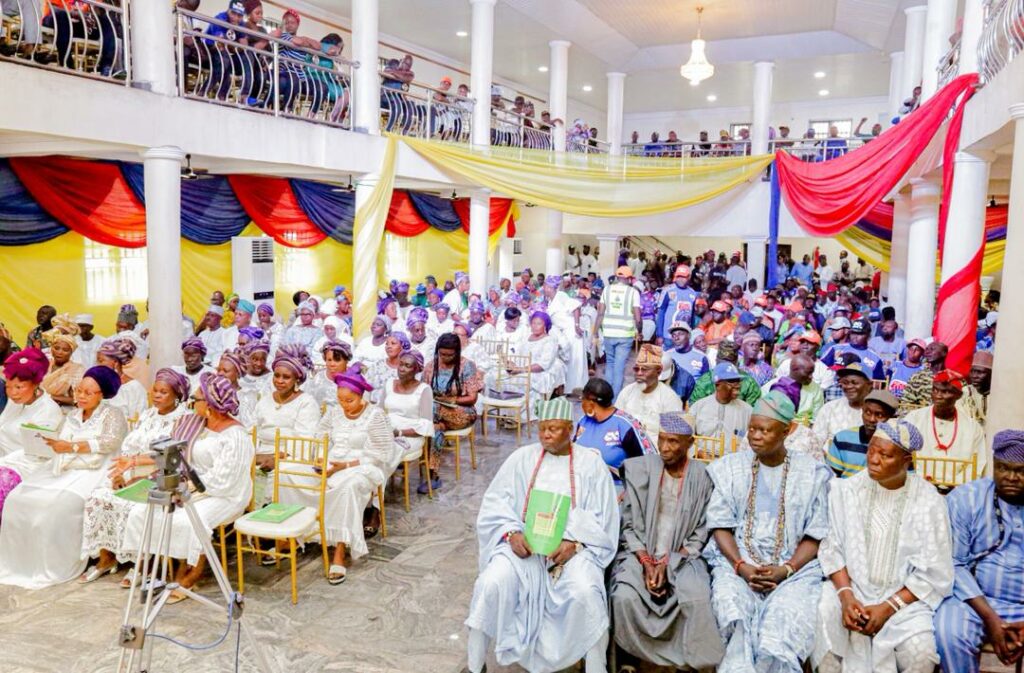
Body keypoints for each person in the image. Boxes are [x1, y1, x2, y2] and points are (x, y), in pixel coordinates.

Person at [464, 398, 619, 673]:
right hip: (523, 550)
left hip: (571, 554)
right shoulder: (521, 459)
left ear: (570, 429)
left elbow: (604, 518)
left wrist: (575, 543)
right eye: (542, 428)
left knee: (587, 594)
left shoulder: (591, 465)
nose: (546, 434)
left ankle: (596, 668)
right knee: (490, 583)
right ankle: (475, 666)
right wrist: (511, 533)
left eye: (554, 428)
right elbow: (495, 503)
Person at [704, 390, 832, 672]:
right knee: (731, 606)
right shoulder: (730, 468)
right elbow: (719, 525)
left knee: (782, 623)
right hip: (736, 564)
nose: (755, 436)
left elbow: (815, 533)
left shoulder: (812, 474)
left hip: (795, 570)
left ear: (786, 431)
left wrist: (785, 569)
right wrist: (741, 566)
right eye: (751, 429)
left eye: (764, 430)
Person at [815, 419, 952, 673]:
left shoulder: (928, 501)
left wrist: (887, 608)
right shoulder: (845, 491)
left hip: (904, 603)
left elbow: (934, 572)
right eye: (871, 450)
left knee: (921, 654)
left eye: (885, 455)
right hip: (849, 590)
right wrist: (846, 597)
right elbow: (831, 547)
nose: (874, 459)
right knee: (823, 618)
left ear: (906, 461)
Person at [118, 373, 253, 602]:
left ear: (210, 405)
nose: (192, 403)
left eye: (197, 399)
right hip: (190, 485)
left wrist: (186, 488)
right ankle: (156, 566)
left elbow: (225, 480)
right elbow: (169, 452)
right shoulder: (195, 424)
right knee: (146, 511)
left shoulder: (235, 436)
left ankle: (191, 574)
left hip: (226, 494)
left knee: (188, 519)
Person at [610, 412, 724, 670]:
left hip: (684, 557)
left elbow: (701, 532)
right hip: (639, 552)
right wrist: (648, 562)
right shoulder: (642, 470)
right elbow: (628, 524)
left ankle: (691, 662)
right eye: (661, 440)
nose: (664, 447)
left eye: (673, 441)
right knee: (623, 596)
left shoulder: (703, 478)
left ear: (690, 443)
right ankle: (630, 659)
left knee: (697, 599)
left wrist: (669, 562)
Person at [0, 366, 128, 588]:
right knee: (18, 498)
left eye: (89, 393)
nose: (81, 396)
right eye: (79, 391)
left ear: (103, 394)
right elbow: (60, 441)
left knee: (55, 507)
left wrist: (71, 446)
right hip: (65, 466)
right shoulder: (73, 415)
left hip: (97, 470)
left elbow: (110, 442)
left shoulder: (112, 414)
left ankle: (52, 565)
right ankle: (21, 564)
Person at [77, 369, 196, 582]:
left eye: (163, 392)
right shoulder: (147, 414)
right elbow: (128, 447)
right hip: (129, 471)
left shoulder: (184, 419)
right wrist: (120, 474)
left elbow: (173, 457)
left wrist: (139, 473)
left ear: (177, 395)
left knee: (137, 508)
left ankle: (144, 564)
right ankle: (107, 558)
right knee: (98, 497)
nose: (157, 396)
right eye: (155, 391)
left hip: (160, 475)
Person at [279, 368, 394, 585]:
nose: (344, 405)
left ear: (361, 396)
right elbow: (321, 435)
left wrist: (345, 465)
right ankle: (294, 535)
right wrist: (322, 458)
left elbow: (382, 454)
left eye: (349, 400)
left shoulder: (376, 415)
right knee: (287, 474)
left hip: (362, 467)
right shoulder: (334, 412)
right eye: (340, 400)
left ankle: (340, 550)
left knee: (347, 488)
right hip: (333, 464)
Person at [934, 430, 1024, 673]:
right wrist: (991, 618)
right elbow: (955, 564)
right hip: (975, 600)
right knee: (948, 630)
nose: (1012, 477)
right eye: (1004, 468)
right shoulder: (966, 498)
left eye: (1021, 471)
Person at [253, 349, 321, 502]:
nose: (280, 381)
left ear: (296, 379)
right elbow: (253, 430)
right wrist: (254, 455)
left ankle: (270, 513)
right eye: (276, 375)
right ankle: (244, 514)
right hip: (260, 452)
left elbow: (305, 440)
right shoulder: (264, 400)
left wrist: (276, 457)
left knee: (277, 473)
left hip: (292, 457)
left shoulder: (306, 403)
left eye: (286, 377)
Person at [0, 349, 64, 511]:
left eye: (19, 387)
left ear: (36, 384)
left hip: (26, 467)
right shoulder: (15, 402)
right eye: (8, 387)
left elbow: (37, 453)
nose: (12, 393)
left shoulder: (48, 411)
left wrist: (3, 462)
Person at [423, 333, 483, 493]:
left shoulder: (467, 365)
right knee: (435, 427)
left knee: (431, 414)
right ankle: (432, 472)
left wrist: (453, 400)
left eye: (450, 355)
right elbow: (423, 392)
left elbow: (472, 397)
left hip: (462, 412)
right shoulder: (431, 366)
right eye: (442, 354)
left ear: (457, 352)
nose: (445, 358)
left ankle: (421, 461)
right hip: (435, 412)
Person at [904, 370, 987, 477]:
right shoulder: (914, 419)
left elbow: (977, 464)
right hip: (918, 486)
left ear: (958, 395)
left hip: (958, 489)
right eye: (935, 390)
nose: (938, 396)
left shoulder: (972, 427)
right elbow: (903, 455)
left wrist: (955, 485)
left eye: (945, 392)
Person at [574, 377, 655, 486]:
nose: (581, 403)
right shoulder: (583, 421)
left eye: (583, 399)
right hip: (583, 486)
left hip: (615, 490)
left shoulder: (627, 425)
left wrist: (629, 494)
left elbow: (650, 461)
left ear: (591, 403)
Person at [380, 350, 433, 490]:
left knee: (387, 450)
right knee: (365, 444)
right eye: (401, 364)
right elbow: (378, 412)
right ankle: (370, 493)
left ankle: (376, 499)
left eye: (408, 366)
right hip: (387, 431)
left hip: (410, 435)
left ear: (416, 369)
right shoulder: (389, 383)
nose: (402, 369)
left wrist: (399, 433)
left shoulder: (424, 390)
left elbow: (425, 426)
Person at [616, 345, 682, 446]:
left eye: (645, 369)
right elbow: (616, 423)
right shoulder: (627, 392)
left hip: (656, 453)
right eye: (636, 369)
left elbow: (673, 437)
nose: (639, 373)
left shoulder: (669, 398)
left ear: (658, 371)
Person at [826, 389, 899, 478]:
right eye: (867, 413)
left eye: (879, 415)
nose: (872, 419)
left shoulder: (899, 446)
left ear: (892, 418)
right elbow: (832, 478)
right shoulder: (843, 439)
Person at [594, 266, 643, 399]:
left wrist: (595, 332)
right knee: (619, 367)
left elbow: (600, 313)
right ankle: (615, 400)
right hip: (625, 335)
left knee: (610, 364)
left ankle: (606, 398)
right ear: (628, 278)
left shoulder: (607, 290)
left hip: (609, 333)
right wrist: (640, 330)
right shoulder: (633, 292)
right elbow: (638, 317)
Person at [815, 362, 874, 455]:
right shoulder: (830, 408)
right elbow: (816, 442)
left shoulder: (875, 414)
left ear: (869, 384)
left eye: (854, 382)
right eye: (845, 382)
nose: (849, 386)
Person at [690, 362, 753, 443]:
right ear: (718, 384)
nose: (737, 385)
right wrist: (698, 452)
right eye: (731, 381)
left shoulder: (748, 411)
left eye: (738, 381)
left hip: (733, 454)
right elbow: (686, 439)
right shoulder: (698, 407)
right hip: (701, 454)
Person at [512, 311, 565, 405]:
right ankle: (507, 410)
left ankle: (528, 414)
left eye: (539, 323)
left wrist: (520, 370)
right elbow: (516, 353)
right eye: (533, 323)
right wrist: (511, 364)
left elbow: (543, 364)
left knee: (525, 380)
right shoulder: (526, 337)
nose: (535, 326)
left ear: (545, 326)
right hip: (520, 368)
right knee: (495, 375)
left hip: (538, 371)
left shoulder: (550, 340)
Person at [689, 340, 762, 406]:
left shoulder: (748, 382)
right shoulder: (705, 381)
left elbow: (753, 412)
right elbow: (695, 407)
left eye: (730, 365)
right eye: (722, 363)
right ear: (716, 361)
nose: (726, 369)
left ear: (737, 363)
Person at [40, 314, 85, 408]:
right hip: (38, 408)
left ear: (71, 352)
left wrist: (51, 397)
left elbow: (78, 400)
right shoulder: (43, 363)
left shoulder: (76, 369)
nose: (60, 352)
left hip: (63, 412)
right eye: (56, 348)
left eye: (65, 350)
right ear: (51, 349)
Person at [96, 339, 148, 419]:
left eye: (101, 361)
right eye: (97, 361)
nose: (97, 365)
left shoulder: (133, 388)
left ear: (115, 363)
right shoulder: (97, 384)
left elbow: (139, 419)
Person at [654, 264, 699, 345]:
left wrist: (691, 332)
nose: (681, 279)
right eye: (679, 276)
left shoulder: (693, 293)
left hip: (684, 337)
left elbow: (692, 316)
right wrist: (659, 335)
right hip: (668, 337)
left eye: (684, 277)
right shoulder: (667, 291)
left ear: (688, 277)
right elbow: (661, 313)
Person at [663, 321, 707, 402]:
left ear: (689, 335)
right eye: (674, 335)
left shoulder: (701, 357)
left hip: (693, 401)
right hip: (670, 401)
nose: (676, 338)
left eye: (680, 334)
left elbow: (706, 383)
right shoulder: (666, 356)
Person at [900, 341, 949, 411]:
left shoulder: (952, 378)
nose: (927, 352)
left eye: (932, 349)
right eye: (927, 349)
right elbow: (906, 402)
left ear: (944, 353)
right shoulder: (918, 377)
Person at [307, 339, 352, 409]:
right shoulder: (318, 378)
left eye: (337, 360)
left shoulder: (355, 380)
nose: (332, 364)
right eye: (329, 360)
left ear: (346, 361)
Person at [958, 350, 992, 423]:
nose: (974, 376)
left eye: (980, 372)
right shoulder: (965, 392)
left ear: (991, 374)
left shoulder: (1000, 394)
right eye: (972, 371)